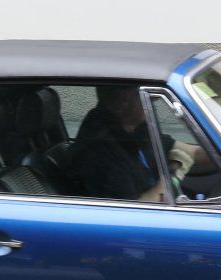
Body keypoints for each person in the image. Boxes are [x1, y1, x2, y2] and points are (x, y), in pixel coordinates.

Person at [68, 85, 205, 202]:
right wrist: (173, 176)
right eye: (145, 98)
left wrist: (216, 151)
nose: (150, 105)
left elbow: (188, 151)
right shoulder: (101, 152)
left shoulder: (134, 130)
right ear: (124, 100)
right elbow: (138, 210)